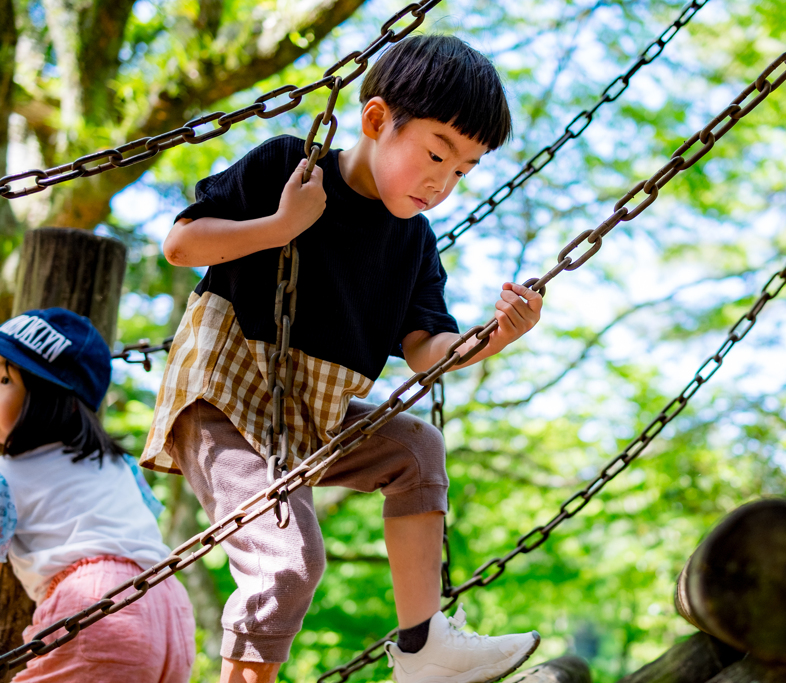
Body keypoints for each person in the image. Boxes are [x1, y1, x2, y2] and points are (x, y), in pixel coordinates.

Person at [143, 34, 544, 683]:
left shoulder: (413, 242)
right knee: (287, 560)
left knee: (417, 447)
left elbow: (425, 351)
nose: (442, 182)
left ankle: (423, 647)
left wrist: (494, 336)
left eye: (463, 170)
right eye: (436, 153)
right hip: (222, 398)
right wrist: (278, 227)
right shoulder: (289, 168)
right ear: (378, 120)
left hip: (308, 415)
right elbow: (182, 243)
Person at [0, 307, 196, 682]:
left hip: (92, 608)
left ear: (47, 395)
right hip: (168, 605)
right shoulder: (119, 462)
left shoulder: (6, 477)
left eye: (3, 379)